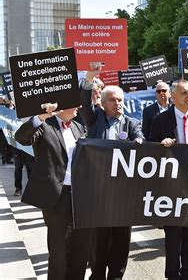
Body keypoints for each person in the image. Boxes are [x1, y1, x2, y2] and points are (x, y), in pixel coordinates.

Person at [80, 64, 144, 280]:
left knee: (120, 240)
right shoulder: (94, 118)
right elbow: (84, 100)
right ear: (103, 103)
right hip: (99, 192)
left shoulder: (132, 123)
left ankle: (116, 276)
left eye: (120, 100)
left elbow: (142, 140)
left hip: (123, 194)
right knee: (99, 240)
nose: (117, 104)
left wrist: (139, 142)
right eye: (112, 100)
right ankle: (97, 275)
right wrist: (90, 77)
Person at [15, 103, 90, 279]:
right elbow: (21, 137)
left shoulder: (78, 127)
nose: (79, 106)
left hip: (81, 197)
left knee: (81, 248)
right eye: (75, 104)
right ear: (63, 107)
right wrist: (41, 117)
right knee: (59, 250)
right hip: (57, 197)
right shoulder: (45, 126)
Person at [149, 79, 188, 280]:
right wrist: (161, 145)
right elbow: (149, 152)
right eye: (184, 93)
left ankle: (187, 275)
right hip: (170, 188)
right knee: (173, 236)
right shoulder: (160, 120)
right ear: (173, 97)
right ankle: (172, 275)